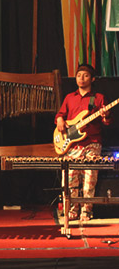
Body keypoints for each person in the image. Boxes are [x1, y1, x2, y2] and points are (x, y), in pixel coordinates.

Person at [55, 63, 112, 221]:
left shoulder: (99, 98)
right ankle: (72, 209)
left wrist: (105, 115)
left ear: (92, 79)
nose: (81, 78)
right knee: (70, 177)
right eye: (79, 75)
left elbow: (107, 122)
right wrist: (60, 119)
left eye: (85, 75)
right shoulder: (69, 97)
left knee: (89, 177)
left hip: (92, 142)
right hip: (72, 143)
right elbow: (61, 114)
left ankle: (86, 210)